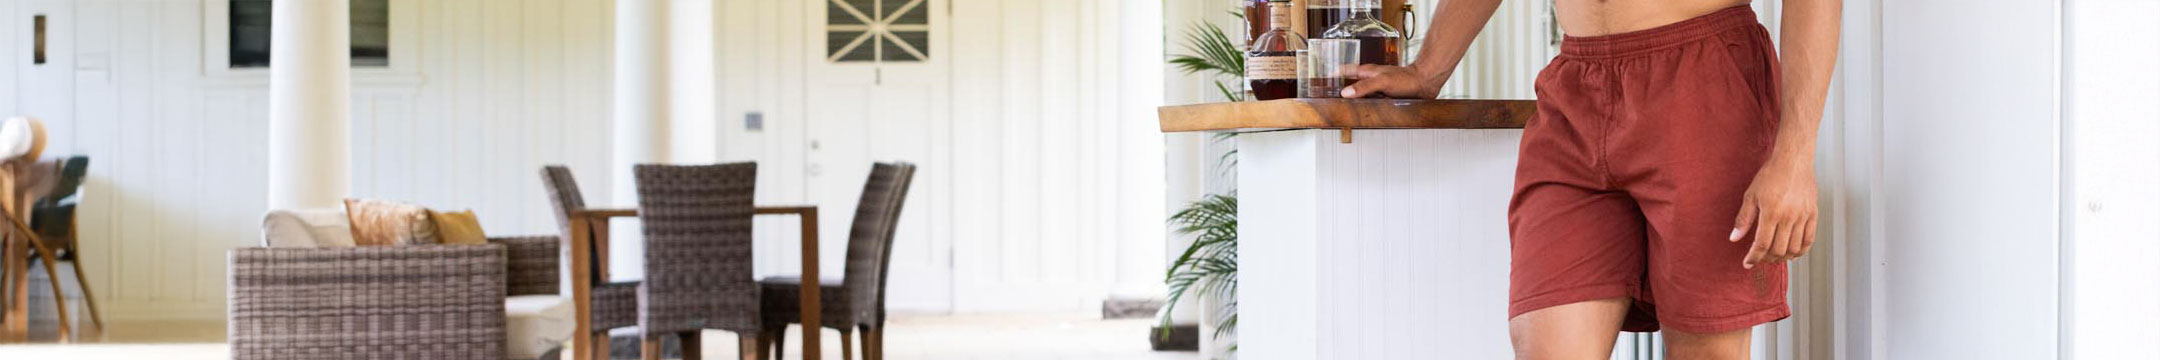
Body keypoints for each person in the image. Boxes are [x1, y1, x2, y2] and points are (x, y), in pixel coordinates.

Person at [1343, 0, 1837, 358]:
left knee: (1708, 349)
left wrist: (1794, 155)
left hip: (1704, 77)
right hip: (1577, 87)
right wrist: (1428, 69)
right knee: (1547, 345)